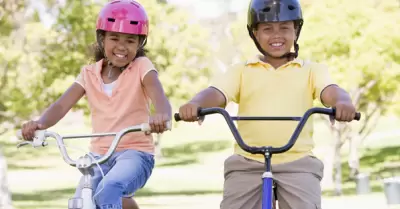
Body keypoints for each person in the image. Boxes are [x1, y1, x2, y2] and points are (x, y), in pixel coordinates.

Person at [177, 0, 358, 209]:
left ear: (296, 30)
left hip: (297, 161)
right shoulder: (241, 70)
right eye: (267, 29)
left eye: (284, 28)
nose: (276, 35)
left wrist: (342, 102)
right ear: (254, 33)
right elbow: (216, 93)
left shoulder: (311, 70)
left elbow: (330, 91)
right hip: (247, 161)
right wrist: (195, 104)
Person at [20, 0, 172, 208]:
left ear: (140, 43)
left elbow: (158, 94)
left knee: (109, 189)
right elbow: (61, 105)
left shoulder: (141, 67)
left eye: (130, 40)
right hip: (98, 157)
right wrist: (40, 123)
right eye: (114, 38)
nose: (121, 46)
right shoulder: (88, 73)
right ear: (102, 39)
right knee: (82, 201)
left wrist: (162, 114)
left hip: (136, 153)